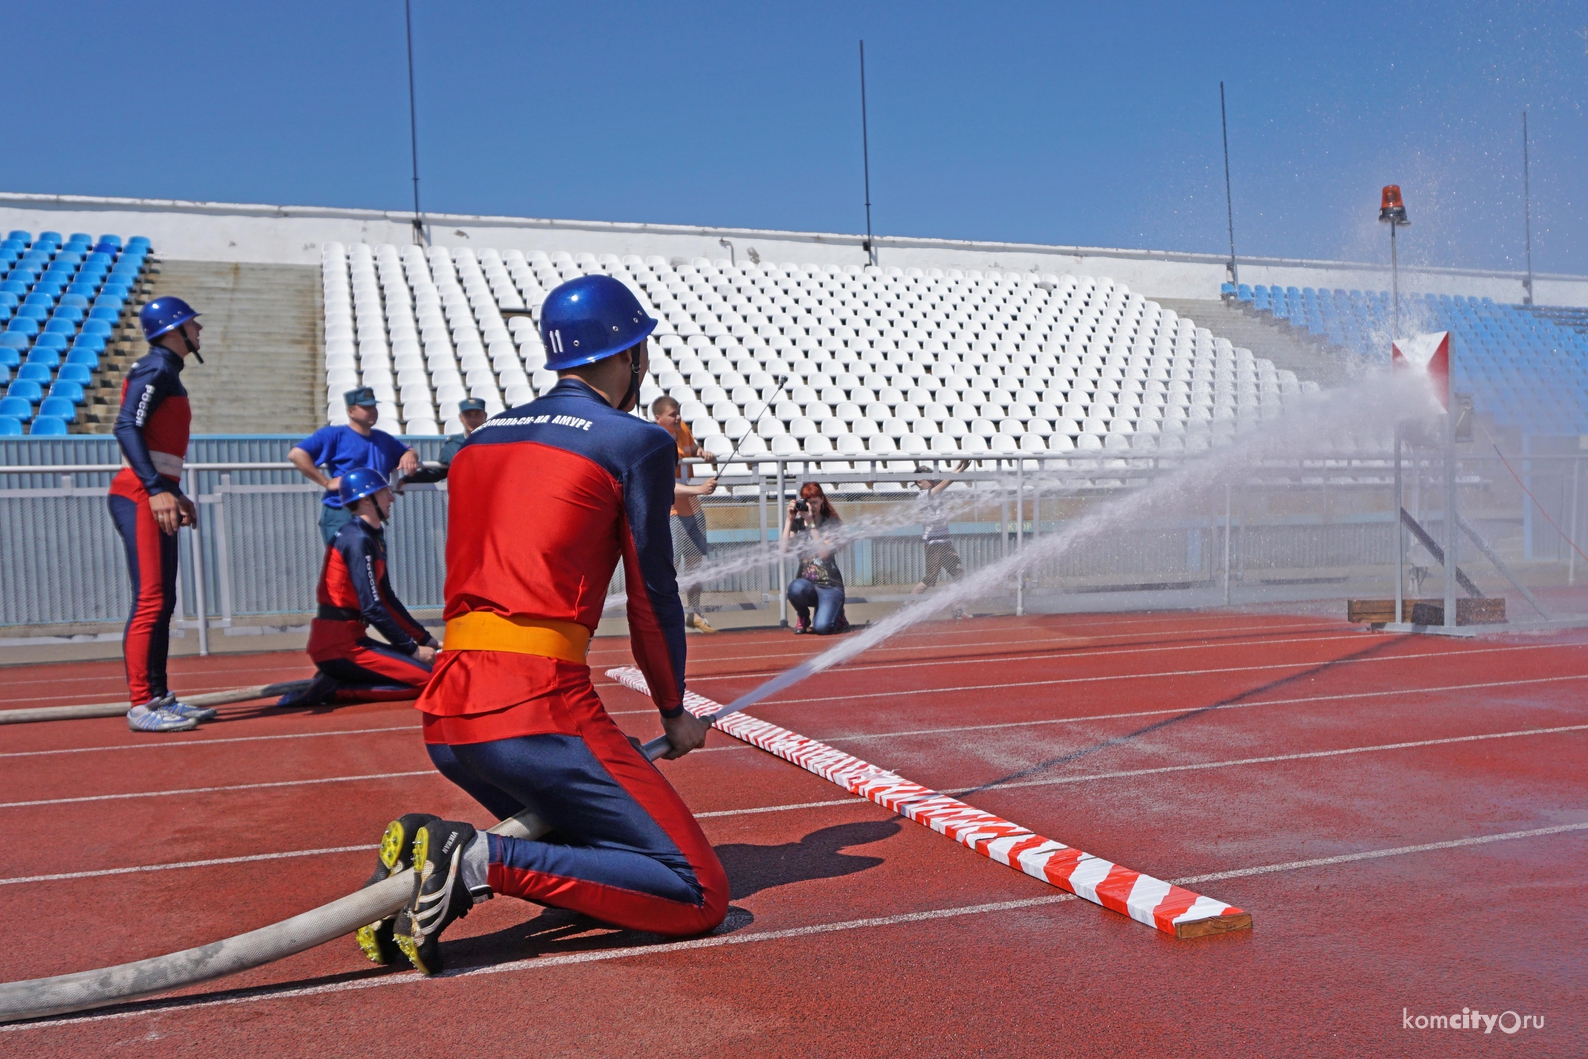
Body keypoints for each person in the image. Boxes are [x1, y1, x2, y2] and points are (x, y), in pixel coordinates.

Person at [359, 273, 726, 976]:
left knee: (601, 877)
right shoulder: (637, 441)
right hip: (535, 709)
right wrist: (674, 710)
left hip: (449, 718)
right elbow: (653, 594)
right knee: (694, 890)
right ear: (631, 354)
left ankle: (426, 878)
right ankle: (473, 859)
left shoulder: (478, 442)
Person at [109, 297, 218, 733]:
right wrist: (156, 489)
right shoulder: (155, 369)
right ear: (175, 330)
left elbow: (156, 439)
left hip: (154, 491)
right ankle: (141, 704)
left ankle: (160, 697)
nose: (199, 332)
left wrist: (172, 490)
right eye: (194, 324)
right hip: (138, 494)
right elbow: (125, 425)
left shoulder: (167, 371)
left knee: (164, 601)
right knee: (152, 600)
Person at [274, 468, 439, 709]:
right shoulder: (357, 539)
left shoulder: (369, 536)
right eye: (385, 493)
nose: (392, 498)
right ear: (365, 499)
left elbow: (387, 599)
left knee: (431, 668)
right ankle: (332, 690)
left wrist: (425, 639)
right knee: (428, 680)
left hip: (353, 639)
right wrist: (412, 649)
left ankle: (336, 682)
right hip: (339, 646)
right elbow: (371, 607)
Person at [289, 387, 419, 544]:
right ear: (350, 412)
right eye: (366, 407)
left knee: (371, 563)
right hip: (343, 510)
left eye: (373, 407)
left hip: (372, 511)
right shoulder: (333, 434)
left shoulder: (383, 438)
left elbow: (407, 450)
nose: (372, 411)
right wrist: (326, 483)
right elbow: (297, 454)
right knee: (346, 563)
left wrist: (410, 454)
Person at [651, 395, 719, 633]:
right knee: (671, 567)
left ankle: (695, 613)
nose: (678, 417)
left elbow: (692, 449)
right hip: (671, 512)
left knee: (694, 565)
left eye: (678, 412)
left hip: (693, 509)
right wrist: (699, 489)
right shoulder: (656, 441)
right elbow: (664, 485)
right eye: (672, 414)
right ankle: (668, 616)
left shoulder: (682, 430)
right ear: (658, 418)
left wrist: (703, 453)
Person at [784, 481, 850, 635]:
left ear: (822, 500)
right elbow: (784, 549)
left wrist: (811, 524)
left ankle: (838, 615)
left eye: (815, 502)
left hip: (830, 586)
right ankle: (803, 616)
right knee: (795, 588)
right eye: (808, 502)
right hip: (807, 585)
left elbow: (823, 553)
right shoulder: (798, 524)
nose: (812, 506)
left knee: (822, 628)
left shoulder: (831, 523)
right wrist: (789, 520)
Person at [912, 462, 970, 612]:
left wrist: (959, 466)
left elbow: (944, 481)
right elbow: (945, 482)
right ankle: (906, 609)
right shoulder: (924, 495)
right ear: (919, 482)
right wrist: (962, 469)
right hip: (934, 543)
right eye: (928, 479)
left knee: (959, 574)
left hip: (945, 541)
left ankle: (958, 609)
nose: (932, 480)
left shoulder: (933, 492)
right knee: (929, 579)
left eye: (932, 477)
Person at [399, 397, 489, 485]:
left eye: (477, 414)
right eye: (468, 415)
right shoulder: (453, 444)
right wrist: (408, 480)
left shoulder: (496, 441)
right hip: (464, 496)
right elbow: (438, 471)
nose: (472, 419)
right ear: (461, 417)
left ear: (485, 416)